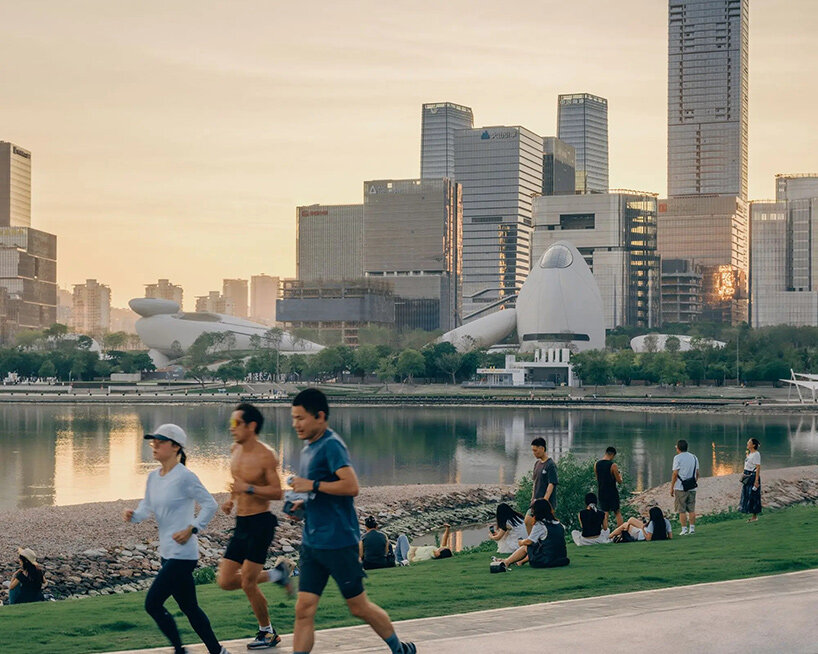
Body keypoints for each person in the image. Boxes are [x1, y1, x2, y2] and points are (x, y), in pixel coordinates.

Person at [288, 388, 416, 654]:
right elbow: (322, 493)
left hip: (338, 543)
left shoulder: (331, 445)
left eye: (300, 418)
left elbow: (351, 486)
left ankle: (399, 649)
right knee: (304, 609)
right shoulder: (308, 448)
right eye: (293, 418)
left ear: (320, 416)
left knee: (358, 606)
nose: (295, 424)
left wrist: (311, 485)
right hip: (313, 544)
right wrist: (304, 505)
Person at [123, 424, 230, 654]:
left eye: (160, 442)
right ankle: (218, 651)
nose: (154, 445)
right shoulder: (153, 477)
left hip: (183, 555)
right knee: (190, 607)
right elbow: (146, 507)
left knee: (152, 603)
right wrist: (134, 515)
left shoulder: (185, 477)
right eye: (153, 441)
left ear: (175, 447)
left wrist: (193, 528)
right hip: (167, 553)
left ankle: (180, 650)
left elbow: (210, 504)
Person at [217, 403, 292, 650]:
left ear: (251, 426)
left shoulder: (266, 455)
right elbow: (238, 483)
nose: (232, 428)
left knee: (248, 582)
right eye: (231, 423)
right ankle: (277, 575)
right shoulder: (235, 449)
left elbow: (277, 492)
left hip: (261, 523)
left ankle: (267, 633)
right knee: (225, 581)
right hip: (242, 523)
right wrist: (231, 500)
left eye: (236, 423)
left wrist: (248, 489)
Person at [494, 499, 569, 570]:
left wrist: (521, 542)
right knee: (535, 547)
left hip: (546, 560)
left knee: (526, 547)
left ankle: (507, 562)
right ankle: (518, 561)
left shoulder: (540, 525)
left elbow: (529, 541)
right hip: (561, 559)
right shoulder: (559, 524)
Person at [525, 437, 558, 533]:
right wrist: (532, 499)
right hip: (535, 501)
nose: (534, 453)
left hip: (546, 503)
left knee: (546, 526)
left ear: (542, 448)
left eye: (535, 450)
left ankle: (542, 540)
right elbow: (535, 483)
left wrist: (545, 501)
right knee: (528, 521)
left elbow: (551, 484)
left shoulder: (550, 465)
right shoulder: (537, 464)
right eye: (533, 450)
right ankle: (532, 541)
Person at [671, 439, 699, 536]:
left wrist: (672, 487)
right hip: (692, 487)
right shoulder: (694, 457)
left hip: (680, 487)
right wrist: (693, 482)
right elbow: (697, 473)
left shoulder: (677, 458)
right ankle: (692, 529)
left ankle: (684, 529)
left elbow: (675, 474)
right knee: (691, 509)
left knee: (681, 509)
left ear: (678, 448)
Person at [595, 447, 623, 527]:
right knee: (617, 512)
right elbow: (619, 481)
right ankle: (620, 531)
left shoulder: (596, 464)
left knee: (605, 512)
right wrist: (620, 476)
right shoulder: (613, 465)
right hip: (612, 492)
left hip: (601, 491)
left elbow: (597, 478)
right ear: (613, 455)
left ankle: (605, 531)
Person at [739, 438, 762, 522]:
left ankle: (754, 516)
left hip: (752, 476)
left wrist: (756, 481)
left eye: (749, 442)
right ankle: (750, 513)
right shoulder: (750, 454)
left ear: (753, 445)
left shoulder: (756, 454)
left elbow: (758, 467)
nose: (747, 443)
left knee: (753, 495)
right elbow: (748, 465)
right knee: (747, 494)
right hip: (747, 475)